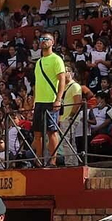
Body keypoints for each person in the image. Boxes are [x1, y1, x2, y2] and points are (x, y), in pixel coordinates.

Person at [31, 33, 65, 165]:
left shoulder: (56, 59)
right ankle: (39, 159)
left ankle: (53, 160)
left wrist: (58, 99)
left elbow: (62, 79)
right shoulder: (38, 62)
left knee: (52, 132)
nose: (43, 41)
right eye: (41, 39)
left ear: (53, 42)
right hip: (39, 101)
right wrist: (34, 102)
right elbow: (37, 84)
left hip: (51, 101)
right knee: (37, 133)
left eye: (46, 39)